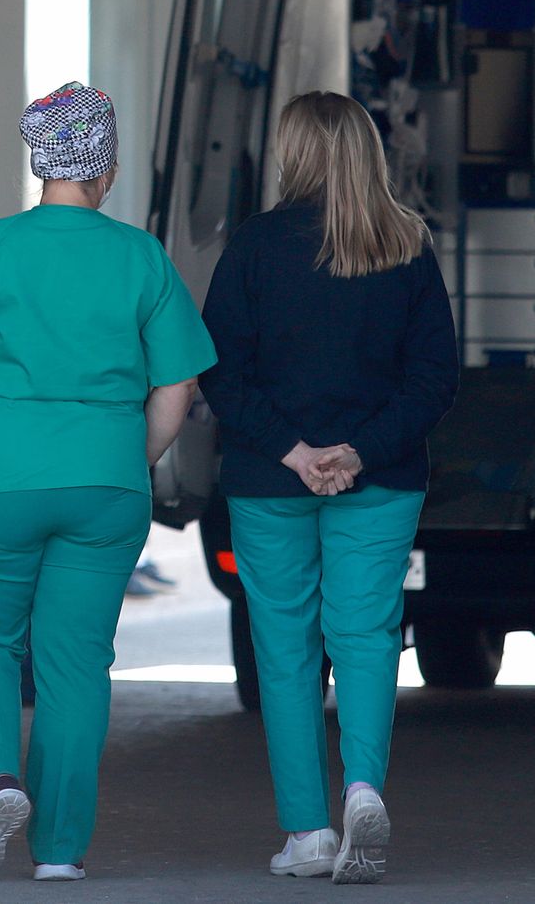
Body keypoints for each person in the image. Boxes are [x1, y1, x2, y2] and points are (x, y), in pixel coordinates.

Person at [0, 82, 216, 882]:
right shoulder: (139, 255)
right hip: (106, 482)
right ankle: (60, 852)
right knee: (76, 659)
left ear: (39, 158)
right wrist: (132, 460)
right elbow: (177, 388)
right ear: (104, 167)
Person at [200, 90, 458, 884]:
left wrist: (293, 450)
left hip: (270, 480)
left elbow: (218, 368)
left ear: (295, 153)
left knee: (285, 651)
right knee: (367, 637)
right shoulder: (408, 244)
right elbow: (433, 378)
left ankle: (309, 833)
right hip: (378, 479)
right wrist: (358, 450)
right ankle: (364, 789)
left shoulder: (254, 245)